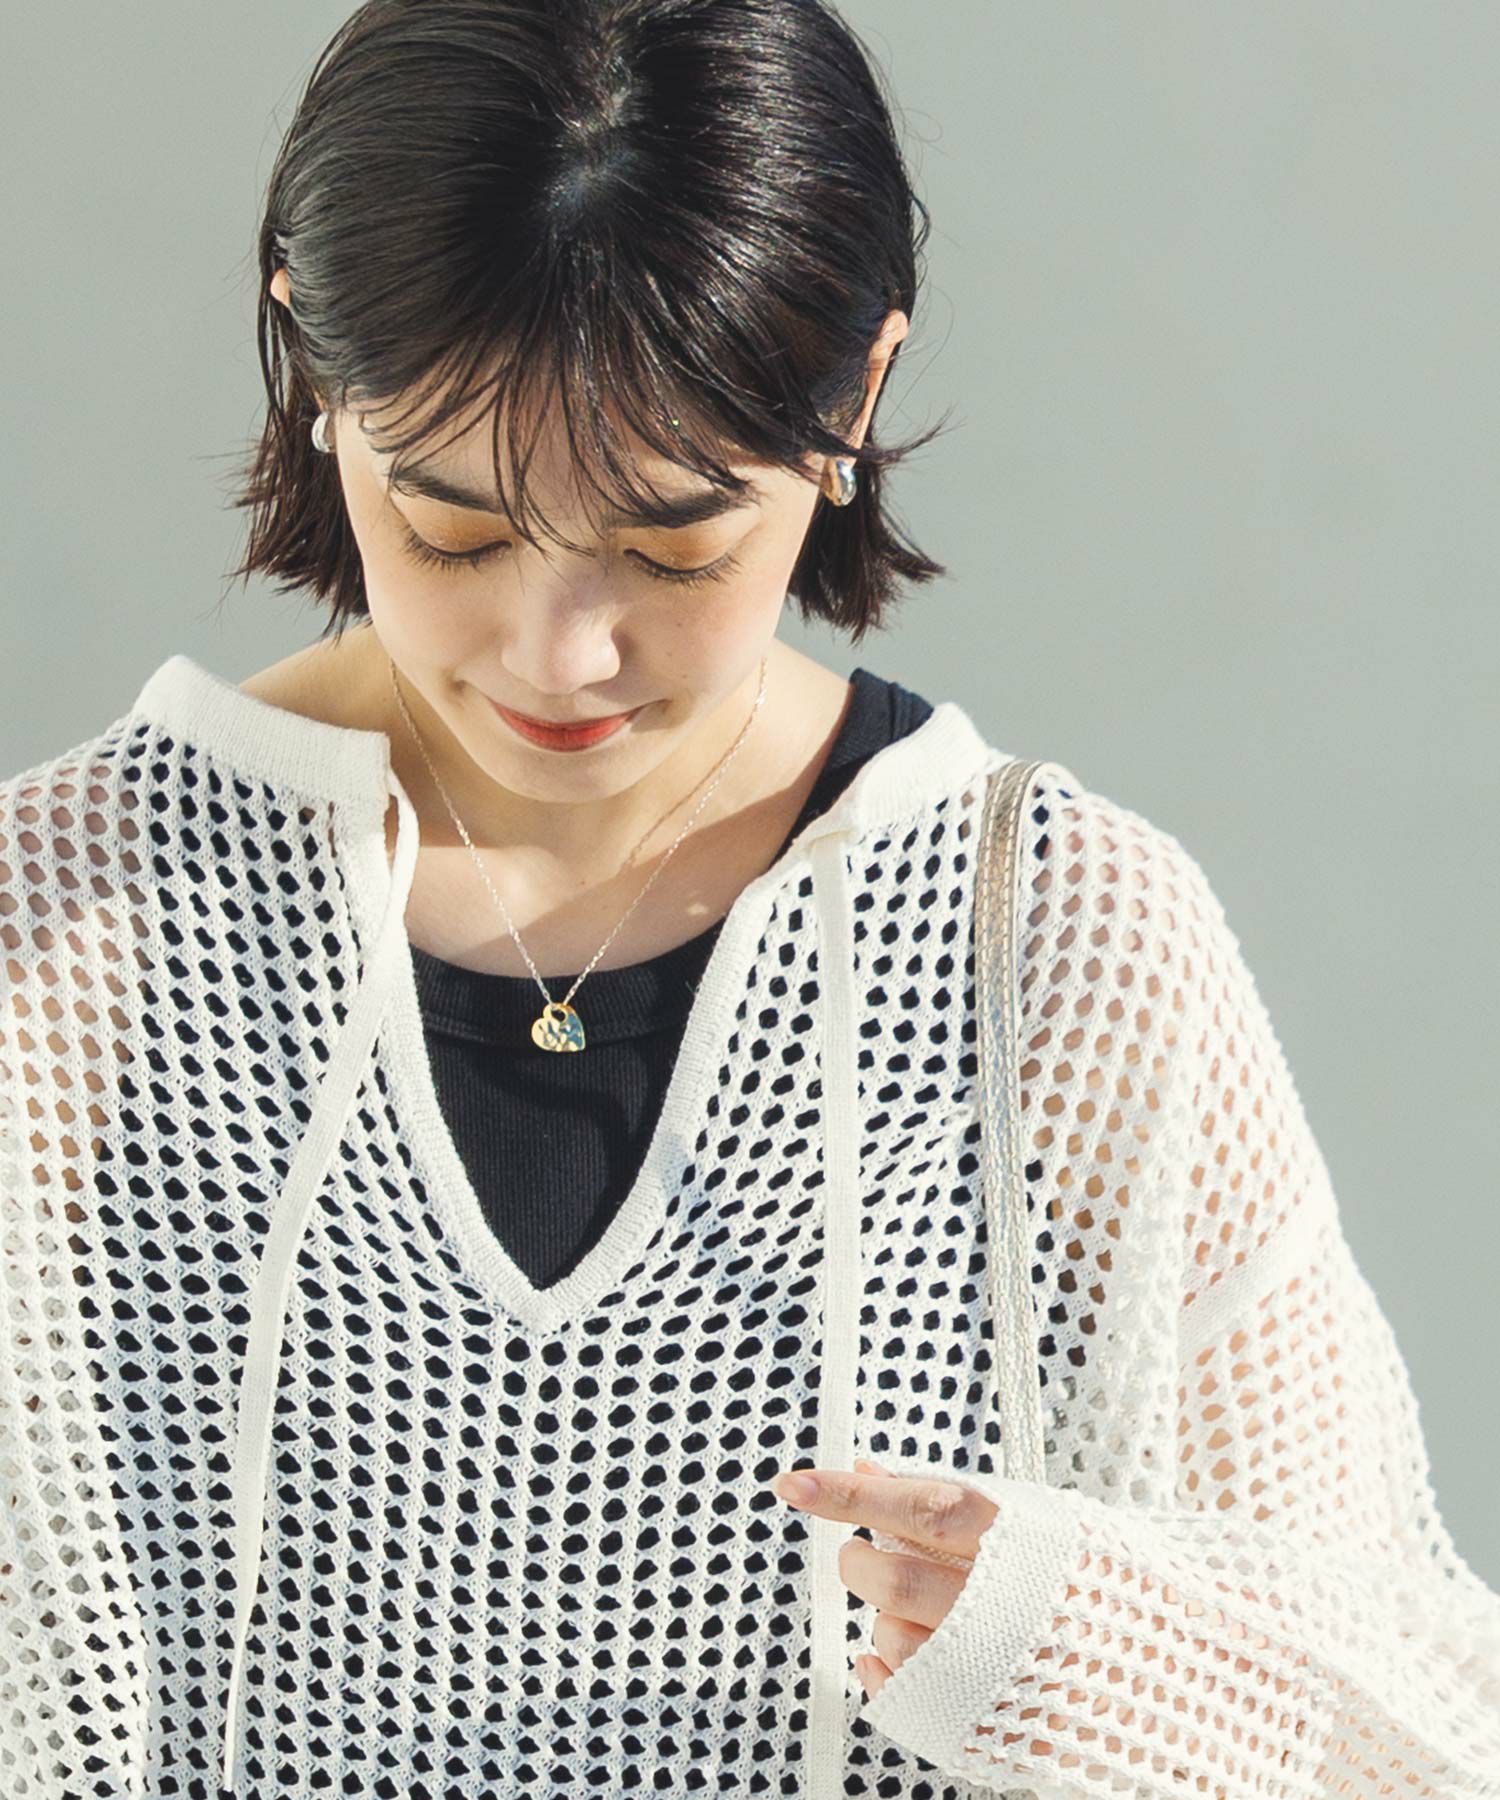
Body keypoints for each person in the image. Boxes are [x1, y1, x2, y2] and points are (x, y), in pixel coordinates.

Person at [2, 4, 1497, 1799]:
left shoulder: (1059, 948)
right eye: (454, 530)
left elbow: (1428, 1726)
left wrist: (1104, 1652)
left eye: (673, 544)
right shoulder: (53, 941)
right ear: (313, 370)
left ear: (852, 401)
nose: (557, 652)